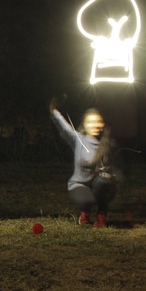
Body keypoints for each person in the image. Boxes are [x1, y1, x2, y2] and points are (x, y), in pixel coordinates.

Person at [50, 97, 117, 227]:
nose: (95, 125)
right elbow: (64, 129)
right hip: (80, 185)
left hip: (99, 185)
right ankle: (85, 213)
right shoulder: (78, 140)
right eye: (91, 122)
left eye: (99, 122)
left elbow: (117, 169)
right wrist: (54, 111)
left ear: (103, 124)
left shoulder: (109, 143)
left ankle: (101, 215)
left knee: (104, 182)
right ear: (85, 124)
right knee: (86, 198)